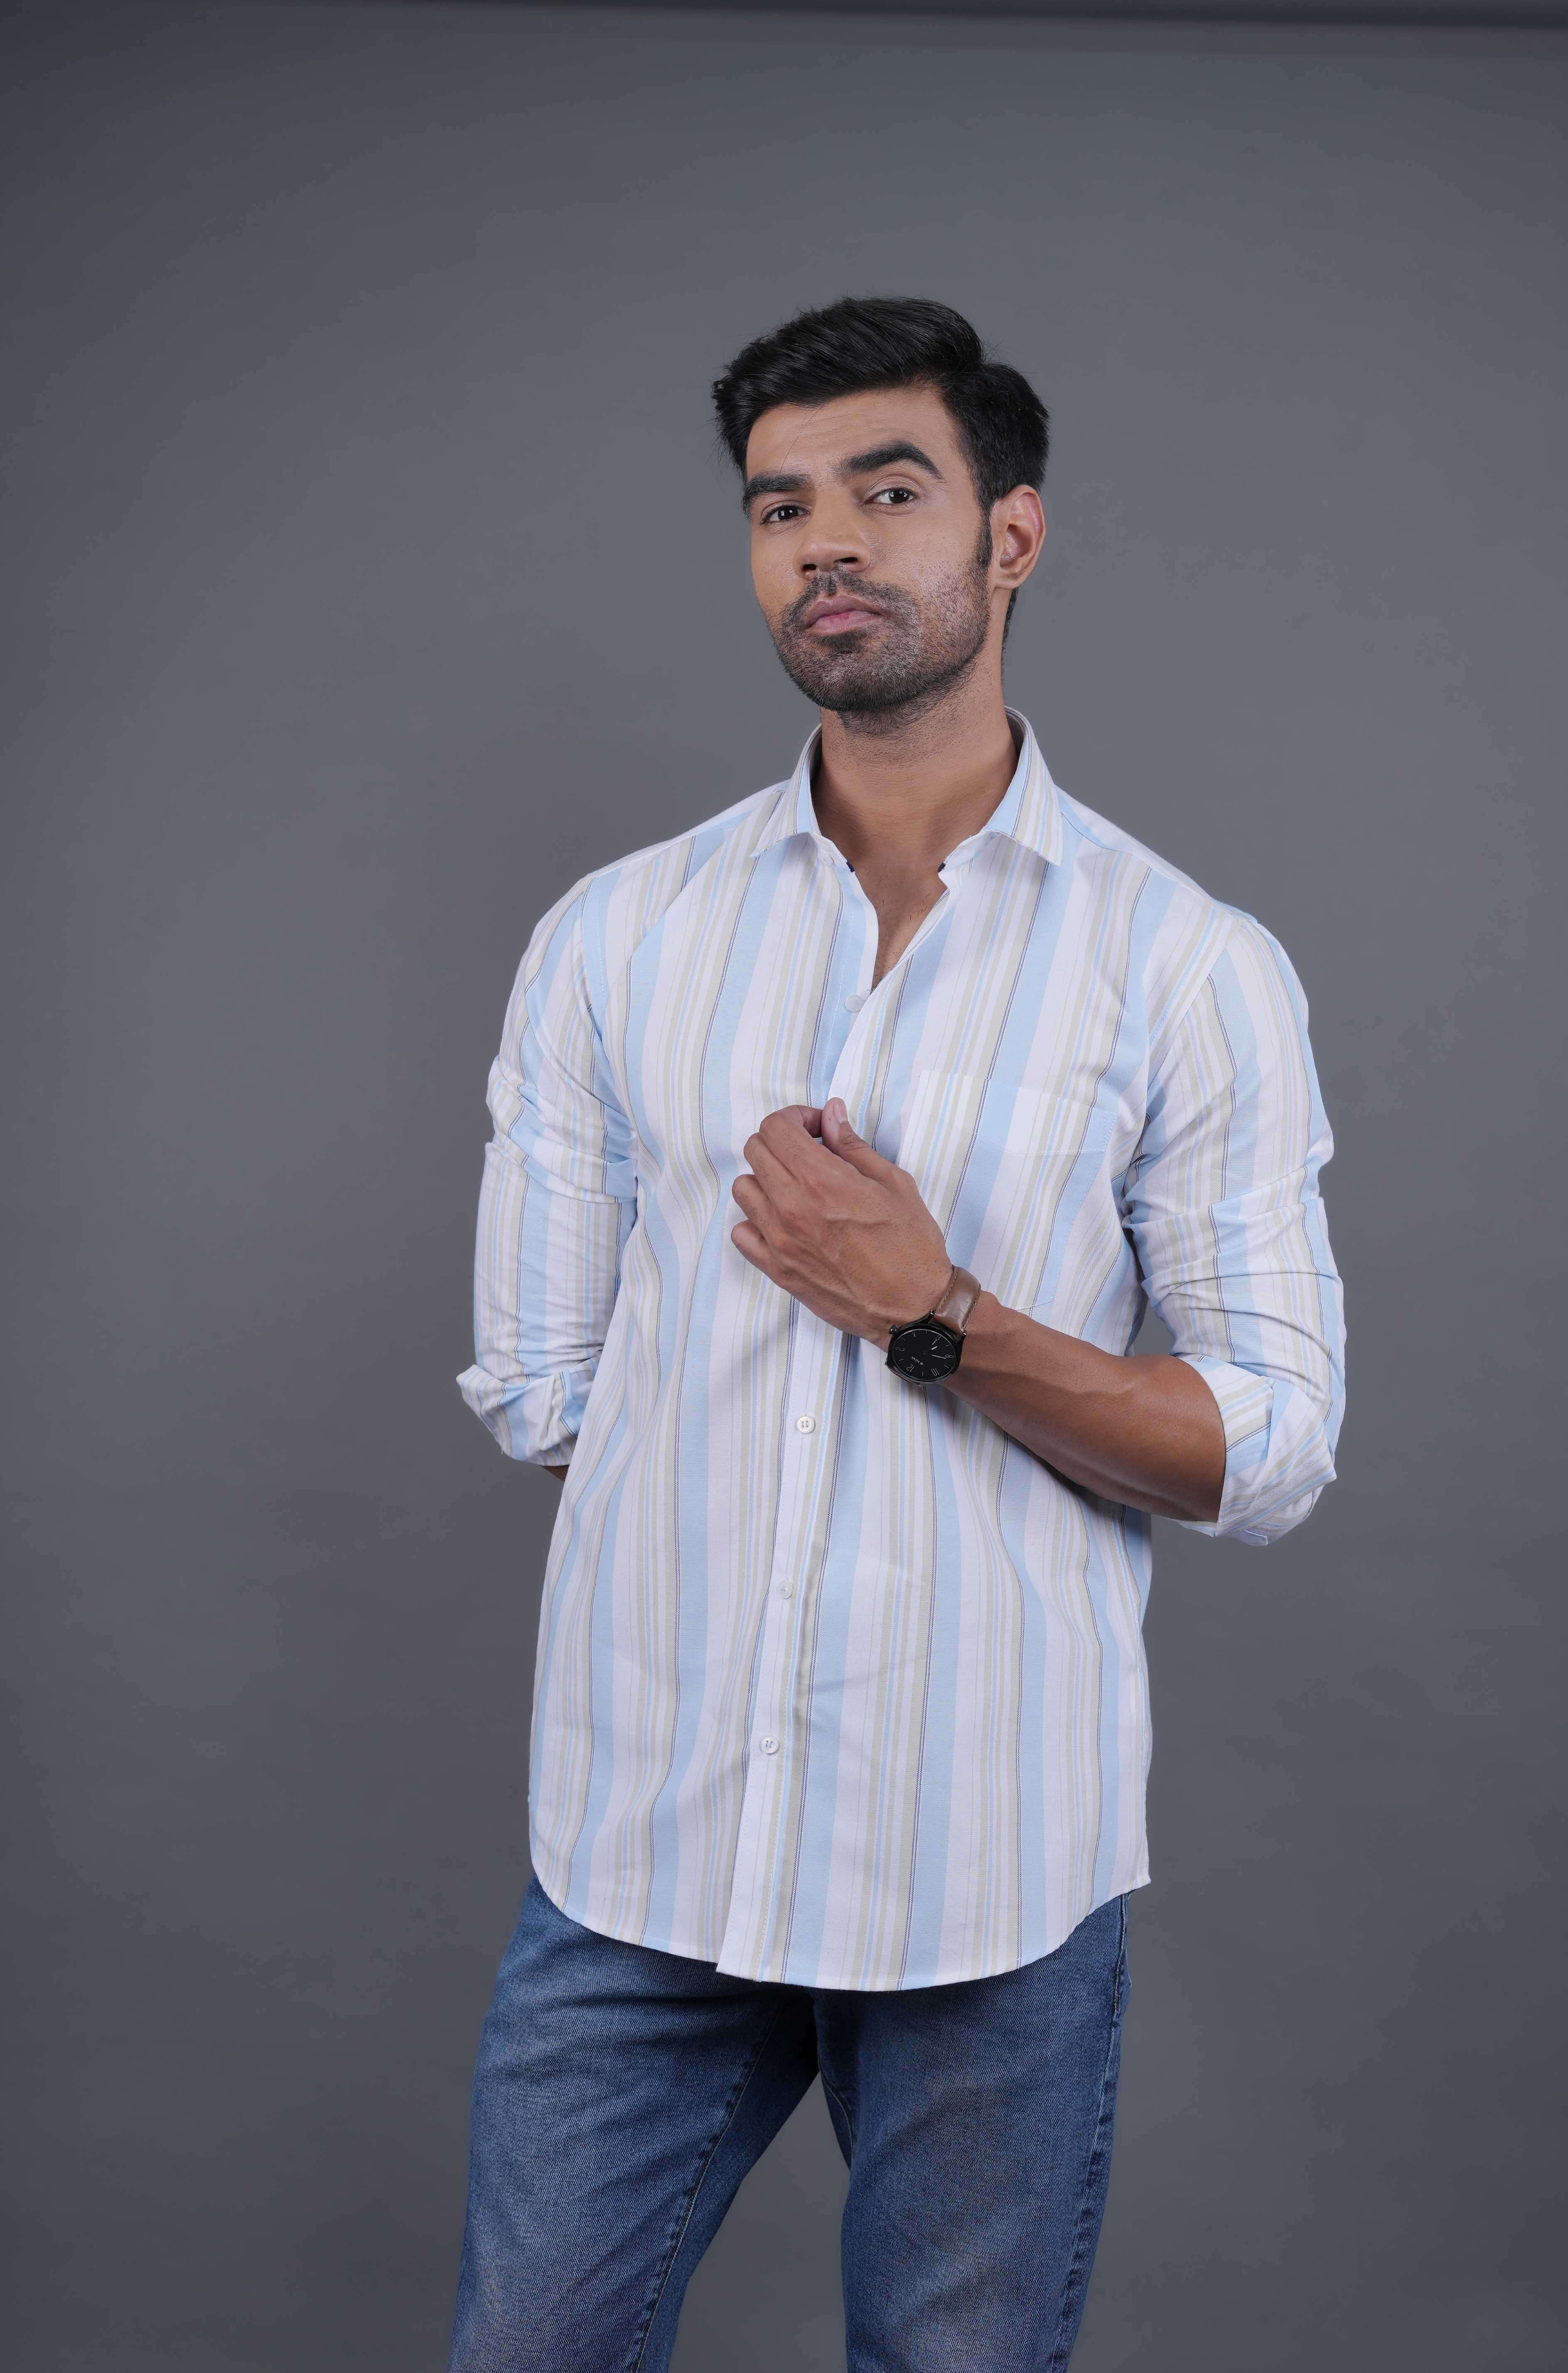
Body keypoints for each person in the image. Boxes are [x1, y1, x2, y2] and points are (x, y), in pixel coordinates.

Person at [448, 296, 1345, 2371]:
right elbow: (547, 1390)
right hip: (643, 1856)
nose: (824, 544)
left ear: (1008, 537)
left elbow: (1266, 1447)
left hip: (987, 1879)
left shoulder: (1183, 968)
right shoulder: (615, 939)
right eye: (779, 508)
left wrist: (934, 1319)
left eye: (885, 490)